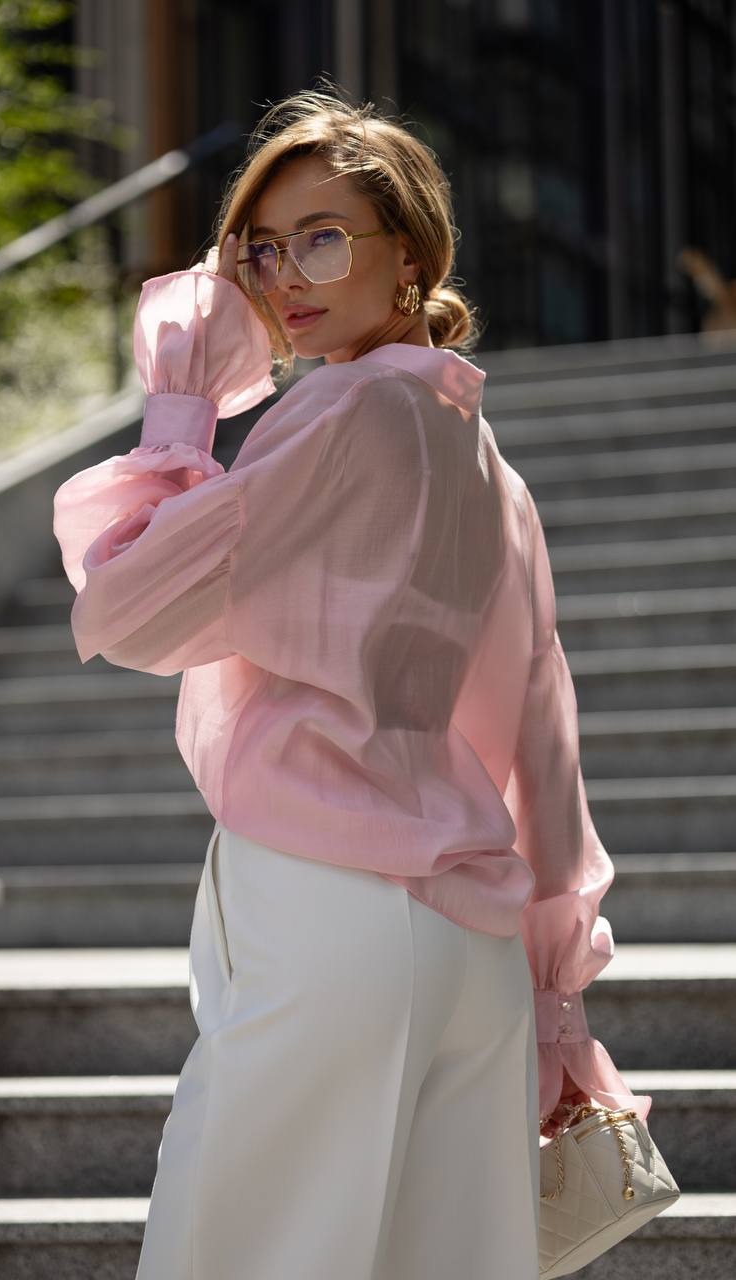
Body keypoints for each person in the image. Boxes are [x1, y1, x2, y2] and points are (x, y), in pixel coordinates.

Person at [53, 83, 652, 1280]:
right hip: (470, 940)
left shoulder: (339, 409)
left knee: (231, 1253)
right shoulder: (484, 458)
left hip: (324, 900)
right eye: (262, 248)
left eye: (323, 238)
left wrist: (181, 406)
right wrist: (553, 992)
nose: (287, 276)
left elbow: (126, 603)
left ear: (410, 254)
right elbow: (538, 731)